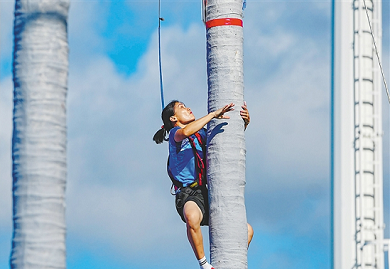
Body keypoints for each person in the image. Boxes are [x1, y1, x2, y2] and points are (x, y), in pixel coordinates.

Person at [153, 100, 254, 269]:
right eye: (182, 107)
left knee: (247, 230)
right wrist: (213, 114)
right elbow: (185, 132)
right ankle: (204, 264)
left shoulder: (201, 133)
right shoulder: (175, 133)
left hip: (208, 192)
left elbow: (224, 143)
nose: (188, 108)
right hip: (188, 194)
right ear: (173, 118)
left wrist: (243, 123)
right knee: (192, 217)